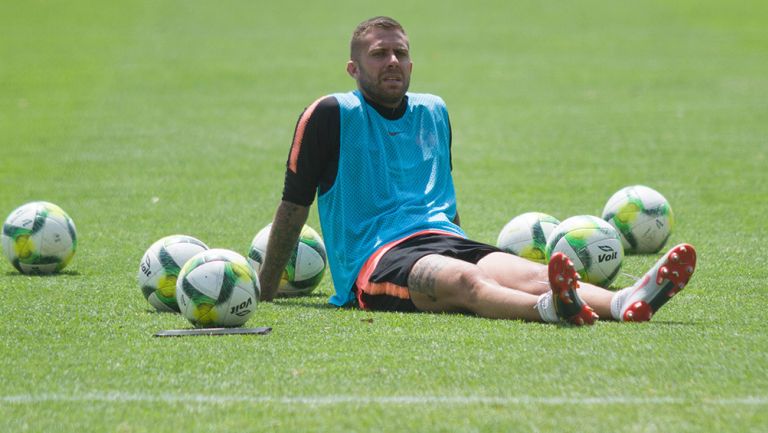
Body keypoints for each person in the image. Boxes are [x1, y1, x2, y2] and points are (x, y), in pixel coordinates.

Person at [258, 16, 697, 325]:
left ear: (411, 65)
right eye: (379, 54)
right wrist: (265, 287)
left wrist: (461, 239)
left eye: (400, 53)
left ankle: (624, 302)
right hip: (376, 259)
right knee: (466, 281)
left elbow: (443, 191)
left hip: (445, 236)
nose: (392, 61)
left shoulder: (434, 109)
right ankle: (549, 309)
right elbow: (294, 204)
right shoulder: (331, 114)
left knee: (524, 272)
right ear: (353, 68)